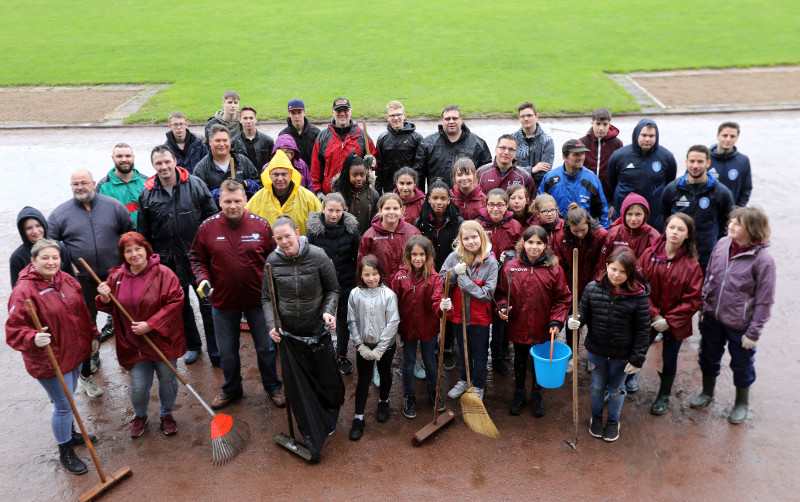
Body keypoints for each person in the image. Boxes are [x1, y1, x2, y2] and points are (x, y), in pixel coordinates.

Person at [6, 239, 100, 475]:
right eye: (45, 258)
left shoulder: (67, 280)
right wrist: (31, 338)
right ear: (33, 261)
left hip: (74, 352)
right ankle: (65, 450)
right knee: (63, 404)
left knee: (68, 400)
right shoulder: (23, 291)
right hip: (49, 359)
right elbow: (13, 330)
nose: (51, 262)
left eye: (55, 257)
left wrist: (93, 335)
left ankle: (71, 433)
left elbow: (82, 312)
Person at [190, 180, 284, 410]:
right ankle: (232, 388)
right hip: (223, 300)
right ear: (220, 201)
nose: (233, 206)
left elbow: (275, 260)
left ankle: (273, 386)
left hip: (257, 300)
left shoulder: (261, 226)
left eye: (237, 201)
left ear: (245, 200)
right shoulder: (207, 227)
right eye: (228, 201)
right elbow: (196, 258)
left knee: (265, 346)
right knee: (227, 351)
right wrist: (203, 278)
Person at [48, 169, 135, 397]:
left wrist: (126, 266)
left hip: (116, 277)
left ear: (94, 183)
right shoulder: (60, 214)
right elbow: (50, 246)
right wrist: (67, 266)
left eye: (84, 182)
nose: (80, 187)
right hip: (82, 282)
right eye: (75, 183)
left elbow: (130, 236)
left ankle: (134, 360)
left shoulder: (114, 206)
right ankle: (87, 372)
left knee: (125, 319)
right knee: (86, 326)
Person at [263, 216, 342, 462]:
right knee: (298, 385)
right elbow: (267, 298)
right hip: (289, 335)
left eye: (288, 236)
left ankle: (328, 416)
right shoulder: (271, 262)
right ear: (274, 240)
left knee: (323, 380)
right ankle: (309, 423)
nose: (285, 242)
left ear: (297, 232)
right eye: (279, 238)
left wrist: (329, 311)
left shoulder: (318, 256)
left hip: (316, 329)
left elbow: (333, 289)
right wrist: (272, 325)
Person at [691, 206, 775, 424]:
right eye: (731, 222)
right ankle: (707, 392)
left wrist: (754, 333)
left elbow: (765, 300)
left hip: (741, 325)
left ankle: (741, 403)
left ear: (752, 229)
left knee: (742, 364)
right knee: (708, 357)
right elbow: (709, 275)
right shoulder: (721, 244)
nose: (730, 226)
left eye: (738, 224)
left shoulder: (763, 260)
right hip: (712, 317)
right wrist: (703, 306)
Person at [96, 232, 185, 437]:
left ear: (147, 250)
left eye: (138, 249)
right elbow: (108, 307)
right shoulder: (116, 277)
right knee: (138, 386)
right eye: (128, 251)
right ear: (123, 254)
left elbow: (176, 302)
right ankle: (140, 415)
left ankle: (166, 415)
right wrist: (105, 297)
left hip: (163, 341)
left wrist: (151, 324)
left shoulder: (165, 274)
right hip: (133, 343)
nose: (134, 254)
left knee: (167, 380)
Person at [138, 146, 218, 365]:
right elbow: (144, 233)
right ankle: (193, 345)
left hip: (198, 261)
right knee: (180, 306)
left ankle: (216, 350)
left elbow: (212, 219)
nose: (164, 167)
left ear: (174, 161)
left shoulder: (195, 184)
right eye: (158, 163)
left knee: (207, 304)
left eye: (166, 162)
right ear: (153, 166)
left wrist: (212, 253)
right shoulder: (148, 193)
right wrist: (151, 262)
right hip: (168, 263)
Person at [567, 247, 650, 442]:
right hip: (597, 350)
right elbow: (582, 314)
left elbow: (643, 330)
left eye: (623, 271)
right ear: (607, 266)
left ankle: (613, 421)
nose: (617, 275)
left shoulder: (638, 296)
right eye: (614, 269)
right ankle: (596, 418)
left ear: (630, 273)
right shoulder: (592, 288)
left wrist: (637, 359)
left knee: (616, 389)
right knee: (596, 386)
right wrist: (572, 320)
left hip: (623, 355)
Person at [497, 226, 571, 416]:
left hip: (543, 325)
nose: (534, 247)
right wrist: (503, 307)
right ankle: (519, 392)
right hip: (519, 324)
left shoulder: (554, 269)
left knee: (540, 360)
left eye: (539, 243)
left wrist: (556, 321)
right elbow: (501, 293)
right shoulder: (510, 267)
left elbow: (563, 298)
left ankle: (537, 393)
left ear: (545, 245)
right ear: (523, 243)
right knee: (520, 359)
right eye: (530, 242)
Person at [639, 213, 702, 415]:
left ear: (688, 235)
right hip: (649, 317)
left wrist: (669, 320)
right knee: (637, 348)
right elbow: (639, 286)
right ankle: (621, 384)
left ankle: (664, 394)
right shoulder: (648, 255)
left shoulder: (692, 265)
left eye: (680, 229)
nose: (675, 232)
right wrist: (655, 315)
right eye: (672, 227)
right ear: (665, 229)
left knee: (670, 357)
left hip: (675, 323)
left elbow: (693, 299)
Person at [441, 221, 499, 401]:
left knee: (480, 352)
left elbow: (486, 294)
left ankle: (478, 385)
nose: (471, 241)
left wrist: (464, 280)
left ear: (481, 237)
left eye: (474, 237)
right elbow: (442, 280)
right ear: (461, 239)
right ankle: (464, 380)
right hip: (459, 314)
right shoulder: (453, 257)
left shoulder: (491, 262)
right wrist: (453, 272)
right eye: (466, 238)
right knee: (463, 347)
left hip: (479, 317)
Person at [392, 236, 446, 419]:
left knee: (430, 361)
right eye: (414, 254)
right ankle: (409, 395)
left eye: (422, 254)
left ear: (428, 255)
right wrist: (396, 329)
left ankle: (433, 391)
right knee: (408, 362)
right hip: (407, 329)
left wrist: (442, 307)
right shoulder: (399, 277)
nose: (417, 258)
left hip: (428, 328)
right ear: (407, 255)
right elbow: (393, 303)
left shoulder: (435, 278)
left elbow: (437, 300)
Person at [306, 194, 361, 375]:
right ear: (323, 209)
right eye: (330, 210)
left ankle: (341, 355)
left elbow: (357, 255)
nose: (334, 214)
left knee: (344, 320)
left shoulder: (351, 230)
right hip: (321, 283)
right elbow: (308, 257)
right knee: (321, 318)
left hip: (346, 280)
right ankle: (321, 353)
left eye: (338, 210)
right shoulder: (313, 231)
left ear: (344, 210)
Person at [346, 256, 400, 439]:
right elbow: (351, 321)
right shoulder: (354, 294)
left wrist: (380, 348)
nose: (371, 278)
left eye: (374, 274)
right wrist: (360, 345)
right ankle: (358, 417)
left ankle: (383, 400)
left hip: (385, 346)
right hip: (364, 345)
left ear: (380, 274)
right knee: (363, 379)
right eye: (366, 274)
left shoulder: (389, 295)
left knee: (385, 374)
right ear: (361, 275)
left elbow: (393, 322)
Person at [552, 202, 609, 368]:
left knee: (595, 322)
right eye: (575, 231)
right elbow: (559, 263)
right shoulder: (562, 236)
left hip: (595, 284)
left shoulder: (601, 235)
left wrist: (594, 286)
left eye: (583, 230)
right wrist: (565, 286)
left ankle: (594, 358)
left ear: (589, 225)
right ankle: (572, 355)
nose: (579, 234)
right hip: (571, 284)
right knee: (572, 321)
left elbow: (602, 263)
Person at [414, 180, 463, 370]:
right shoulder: (422, 221)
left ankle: (448, 346)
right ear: (428, 199)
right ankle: (432, 344)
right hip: (429, 271)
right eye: (435, 198)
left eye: (443, 198)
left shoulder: (458, 221)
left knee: (449, 309)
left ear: (449, 200)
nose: (439, 202)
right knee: (431, 307)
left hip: (452, 271)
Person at [475, 189, 523, 375]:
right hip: (483, 278)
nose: (496, 208)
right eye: (491, 204)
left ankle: (498, 354)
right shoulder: (479, 223)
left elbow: (521, 249)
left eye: (500, 205)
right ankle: (480, 354)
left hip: (504, 281)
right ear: (486, 205)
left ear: (506, 206)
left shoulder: (515, 226)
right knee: (482, 319)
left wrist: (511, 255)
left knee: (501, 318)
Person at [662, 145, 733, 269]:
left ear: (708, 163)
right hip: (677, 253)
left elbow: (727, 225)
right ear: (686, 162)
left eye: (700, 161)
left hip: (706, 255)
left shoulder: (721, 193)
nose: (695, 166)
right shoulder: (672, 189)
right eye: (692, 161)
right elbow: (664, 218)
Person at [607, 118, 677, 231]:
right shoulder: (619, 156)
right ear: (636, 134)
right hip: (625, 216)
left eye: (651, 136)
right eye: (643, 135)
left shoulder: (667, 157)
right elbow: (611, 181)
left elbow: (669, 184)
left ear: (656, 137)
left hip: (654, 218)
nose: (647, 139)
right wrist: (612, 203)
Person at [414, 105, 491, 191]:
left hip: (466, 198)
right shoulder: (428, 143)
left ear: (461, 119)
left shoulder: (478, 144)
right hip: (438, 199)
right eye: (447, 119)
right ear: (442, 120)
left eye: (455, 118)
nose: (451, 122)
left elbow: (486, 174)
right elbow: (419, 174)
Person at [311, 97, 377, 195]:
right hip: (331, 194)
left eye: (345, 110)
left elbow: (374, 162)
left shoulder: (362, 136)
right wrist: (318, 191)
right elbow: (315, 169)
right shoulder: (323, 137)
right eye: (338, 110)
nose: (342, 114)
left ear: (351, 111)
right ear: (333, 112)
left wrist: (372, 162)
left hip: (357, 194)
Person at [246, 149, 321, 236]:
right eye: (276, 174)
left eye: (284, 174)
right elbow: (245, 221)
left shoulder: (308, 198)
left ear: (291, 175)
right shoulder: (258, 198)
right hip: (268, 249)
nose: (280, 179)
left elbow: (321, 222)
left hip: (299, 248)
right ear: (269, 175)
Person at [538, 139, 610, 229]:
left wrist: (603, 234)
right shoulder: (551, 177)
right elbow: (538, 206)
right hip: (556, 233)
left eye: (582, 154)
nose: (581, 158)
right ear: (564, 157)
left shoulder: (591, 179)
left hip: (582, 234)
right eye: (576, 154)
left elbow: (602, 211)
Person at [357, 193, 421, 281]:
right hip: (380, 289)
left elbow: (423, 263)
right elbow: (361, 267)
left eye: (395, 208)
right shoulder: (369, 236)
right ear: (380, 210)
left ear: (401, 210)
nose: (391, 212)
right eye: (387, 208)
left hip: (408, 288)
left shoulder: (413, 233)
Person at [193, 124, 260, 206]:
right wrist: (224, 191)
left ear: (229, 141)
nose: (222, 144)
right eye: (218, 141)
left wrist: (245, 184)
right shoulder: (201, 168)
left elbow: (259, 186)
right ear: (210, 142)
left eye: (225, 140)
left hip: (243, 213)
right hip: (217, 215)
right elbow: (199, 197)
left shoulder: (242, 161)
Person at [10, 207, 75, 287]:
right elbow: (17, 290)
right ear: (23, 232)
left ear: (44, 226)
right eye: (29, 228)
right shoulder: (17, 257)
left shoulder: (59, 247)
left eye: (38, 226)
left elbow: (73, 280)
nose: (35, 231)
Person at [579, 107, 623, 212]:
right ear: (592, 123)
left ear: (609, 124)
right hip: (584, 196)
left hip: (607, 199)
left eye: (605, 124)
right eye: (598, 124)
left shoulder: (617, 144)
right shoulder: (582, 143)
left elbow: (620, 175)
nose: (601, 128)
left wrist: (614, 203)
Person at [376, 100, 423, 194]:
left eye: (399, 114)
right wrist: (378, 191)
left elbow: (420, 168)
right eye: (392, 115)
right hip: (389, 188)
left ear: (404, 115)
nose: (396, 118)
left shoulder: (416, 138)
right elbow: (379, 168)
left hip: (410, 189)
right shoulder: (382, 139)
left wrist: (419, 191)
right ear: (387, 118)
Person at [599, 192, 660, 263]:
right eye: (629, 214)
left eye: (638, 214)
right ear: (623, 215)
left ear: (645, 215)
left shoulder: (653, 236)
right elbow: (603, 263)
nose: (633, 219)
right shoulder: (613, 234)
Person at [96, 143, 148, 226]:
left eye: (128, 156)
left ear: (133, 157)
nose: (124, 159)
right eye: (119, 156)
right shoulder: (103, 187)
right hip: (118, 237)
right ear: (113, 158)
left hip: (146, 237)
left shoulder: (147, 182)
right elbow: (99, 218)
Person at [331, 152, 379, 235]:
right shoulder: (339, 195)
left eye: (362, 175)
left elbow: (376, 219)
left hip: (367, 237)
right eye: (354, 175)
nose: (359, 178)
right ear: (348, 175)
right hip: (346, 239)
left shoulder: (373, 195)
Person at [510, 101, 555, 186]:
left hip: (539, 188)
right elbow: (509, 169)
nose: (526, 119)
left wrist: (520, 171)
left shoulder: (547, 141)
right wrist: (533, 169)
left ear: (536, 116)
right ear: (519, 118)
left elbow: (544, 173)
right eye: (523, 116)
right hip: (516, 187)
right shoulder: (511, 140)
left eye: (529, 115)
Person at [709, 121, 752, 207]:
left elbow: (746, 189)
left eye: (732, 136)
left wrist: (737, 211)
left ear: (737, 138)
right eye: (725, 136)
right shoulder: (703, 157)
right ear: (718, 136)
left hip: (730, 213)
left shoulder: (743, 161)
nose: (728, 139)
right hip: (706, 212)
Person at [278, 99, 321, 169]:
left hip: (312, 176)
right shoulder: (283, 135)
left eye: (299, 112)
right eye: (293, 113)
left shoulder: (316, 133)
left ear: (304, 112)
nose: (296, 116)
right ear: (289, 114)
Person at [231, 106, 275, 171]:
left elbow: (273, 163)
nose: (248, 121)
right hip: (244, 179)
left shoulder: (268, 141)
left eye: (251, 118)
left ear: (256, 119)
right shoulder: (233, 143)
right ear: (240, 120)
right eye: (245, 118)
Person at [449, 157, 487, 221]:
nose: (464, 178)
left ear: (475, 175)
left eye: (468, 174)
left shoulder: (483, 200)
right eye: (459, 175)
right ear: (454, 177)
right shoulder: (449, 197)